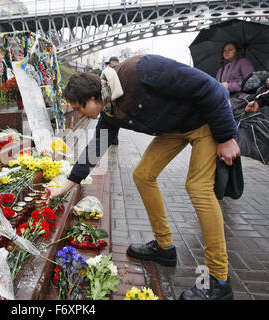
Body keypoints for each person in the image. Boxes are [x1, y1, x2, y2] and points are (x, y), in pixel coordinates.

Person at [47, 54, 241, 300]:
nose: (81, 115)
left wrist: (225, 137)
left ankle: (219, 280)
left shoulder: (140, 70)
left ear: (94, 97)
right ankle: (164, 247)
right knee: (143, 174)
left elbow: (209, 87)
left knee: (198, 187)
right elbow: (95, 149)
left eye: (80, 108)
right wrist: (65, 186)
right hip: (176, 129)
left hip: (204, 122)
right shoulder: (108, 111)